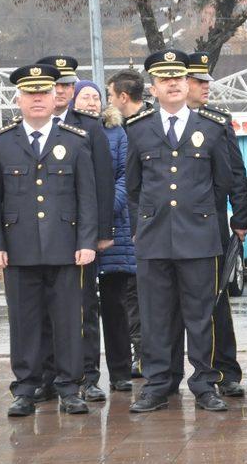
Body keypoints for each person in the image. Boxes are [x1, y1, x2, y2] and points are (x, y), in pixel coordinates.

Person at [0, 64, 97, 416]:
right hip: (18, 248)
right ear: (18, 99)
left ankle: (69, 387)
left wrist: (87, 241)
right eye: (30, 94)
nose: (37, 99)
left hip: (66, 247)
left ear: (55, 97)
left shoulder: (75, 140)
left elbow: (87, 197)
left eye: (43, 93)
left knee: (67, 320)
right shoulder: (2, 142)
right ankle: (26, 388)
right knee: (24, 320)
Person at [126, 49, 232, 413]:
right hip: (155, 237)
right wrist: (141, 227)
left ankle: (205, 383)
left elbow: (222, 184)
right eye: (164, 79)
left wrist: (201, 216)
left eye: (178, 78)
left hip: (199, 236)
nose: (172, 84)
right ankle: (158, 383)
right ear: (153, 88)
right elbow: (134, 188)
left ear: (188, 84)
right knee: (155, 316)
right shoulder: (138, 130)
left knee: (201, 316)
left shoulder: (211, 128)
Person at [166, 51, 247, 398]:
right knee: (168, 306)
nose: (205, 87)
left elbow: (235, 175)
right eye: (198, 81)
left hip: (208, 225)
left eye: (205, 81)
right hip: (167, 229)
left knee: (214, 304)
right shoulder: (155, 123)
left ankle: (224, 369)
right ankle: (167, 375)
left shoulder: (217, 121)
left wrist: (240, 218)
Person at [33, 56, 115, 404]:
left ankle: (88, 376)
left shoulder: (89, 127)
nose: (63, 91)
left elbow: (102, 181)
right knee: (44, 309)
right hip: (40, 234)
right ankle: (48, 376)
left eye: (68, 85)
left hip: (80, 235)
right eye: (58, 85)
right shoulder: (31, 123)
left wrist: (101, 232)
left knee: (83, 308)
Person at [107, 69, 151, 378]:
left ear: (123, 97)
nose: (109, 102)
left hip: (145, 226)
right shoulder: (123, 129)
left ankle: (149, 357)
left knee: (144, 299)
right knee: (134, 298)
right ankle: (143, 356)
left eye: (110, 96)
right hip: (133, 230)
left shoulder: (139, 129)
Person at [97, 101, 135, 392]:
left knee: (117, 307)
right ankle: (85, 376)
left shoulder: (117, 133)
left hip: (116, 233)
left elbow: (126, 173)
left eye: (93, 97)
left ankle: (121, 372)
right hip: (78, 233)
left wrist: (108, 206)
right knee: (80, 311)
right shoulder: (71, 132)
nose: (88, 102)